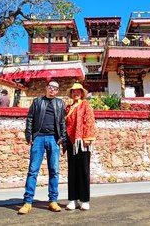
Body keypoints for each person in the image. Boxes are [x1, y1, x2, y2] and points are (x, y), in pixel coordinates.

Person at [18, 81, 67, 215]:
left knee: (54, 170)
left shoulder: (60, 103)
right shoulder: (37, 101)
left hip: (53, 139)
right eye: (50, 87)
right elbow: (30, 119)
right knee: (33, 170)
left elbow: (63, 122)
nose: (52, 90)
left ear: (57, 91)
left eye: (55, 88)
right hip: (38, 138)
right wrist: (29, 135)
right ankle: (27, 202)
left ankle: (53, 201)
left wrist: (62, 138)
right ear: (46, 88)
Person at [64, 82, 97, 211]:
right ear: (71, 94)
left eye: (78, 91)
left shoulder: (86, 106)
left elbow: (89, 121)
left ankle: (84, 200)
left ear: (82, 93)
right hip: (71, 142)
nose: (76, 93)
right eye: (73, 91)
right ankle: (73, 199)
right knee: (72, 171)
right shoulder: (68, 108)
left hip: (83, 142)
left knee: (83, 170)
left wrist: (87, 138)